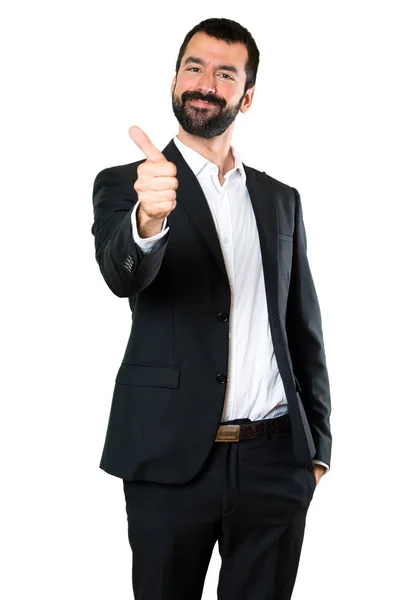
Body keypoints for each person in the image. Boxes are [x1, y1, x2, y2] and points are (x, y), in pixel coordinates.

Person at [91, 16, 332, 600]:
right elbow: (123, 273)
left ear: (246, 97)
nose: (205, 82)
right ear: (175, 80)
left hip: (274, 463)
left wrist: (316, 448)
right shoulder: (130, 184)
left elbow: (301, 324)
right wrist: (149, 218)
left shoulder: (280, 199)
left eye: (225, 74)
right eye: (193, 67)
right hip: (169, 462)